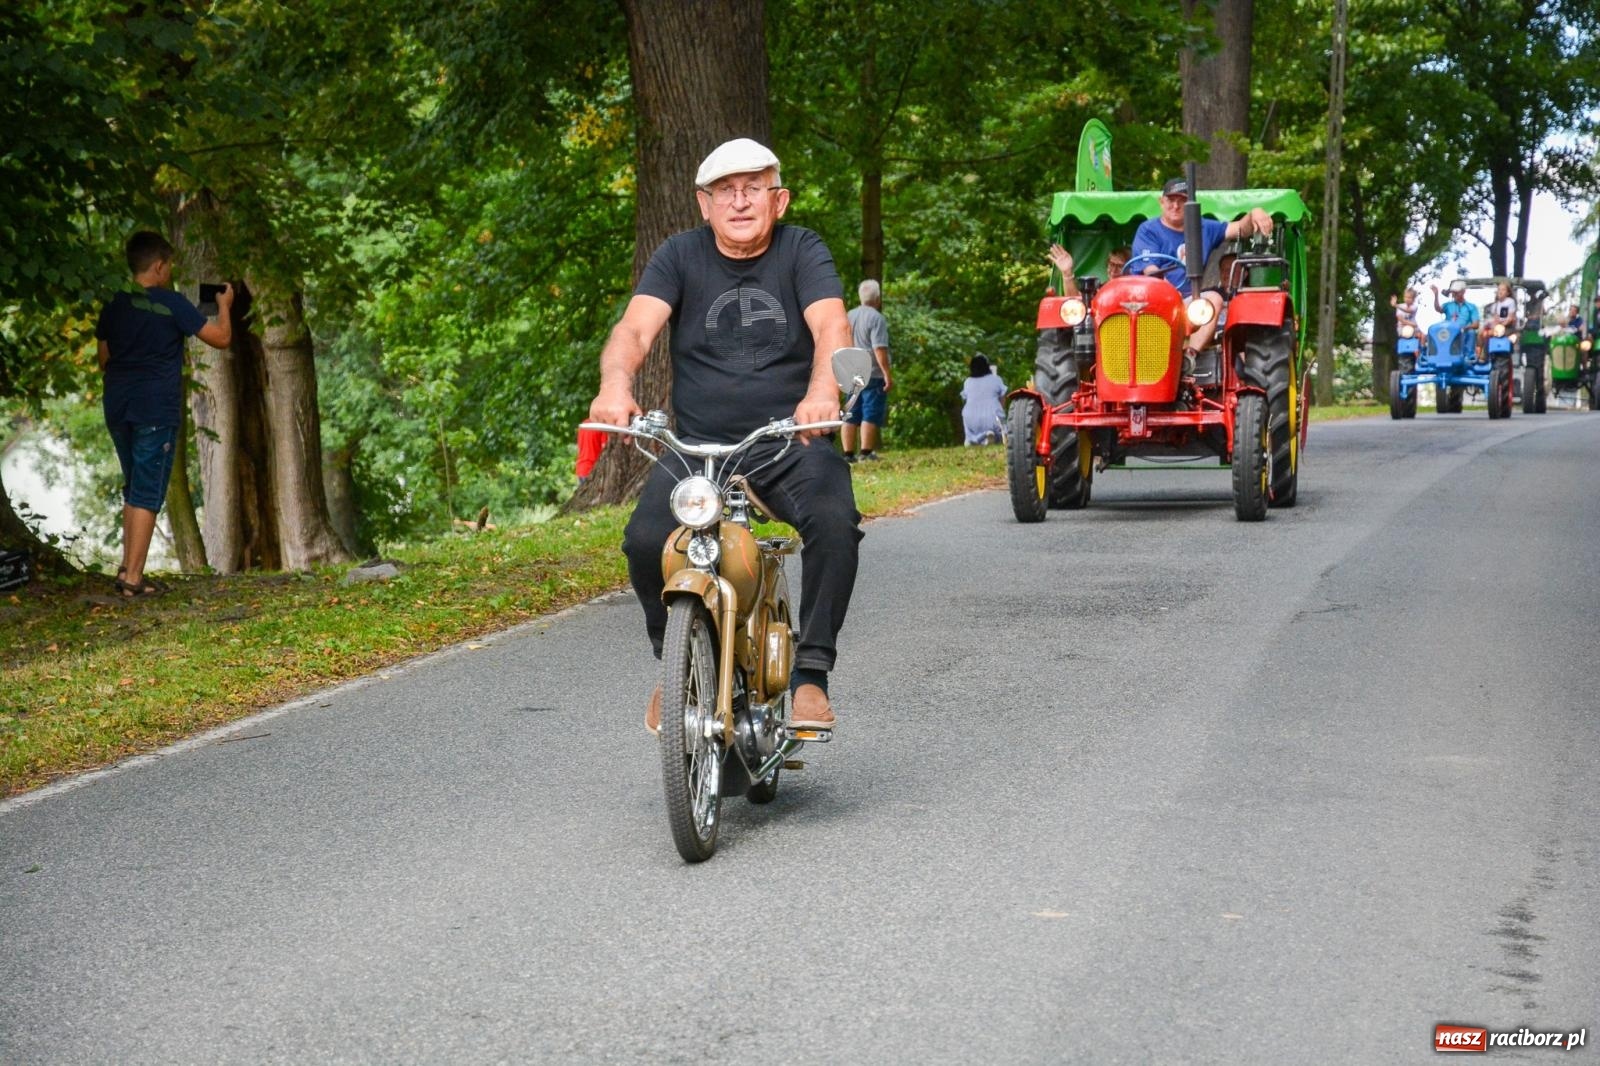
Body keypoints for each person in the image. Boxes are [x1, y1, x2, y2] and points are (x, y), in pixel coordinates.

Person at [586, 138, 857, 733]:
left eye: (753, 188)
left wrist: (822, 394)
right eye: (725, 191)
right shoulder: (680, 255)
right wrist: (615, 386)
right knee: (643, 541)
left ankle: (812, 675)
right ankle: (675, 665)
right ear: (704, 205)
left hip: (789, 443)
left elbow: (831, 323)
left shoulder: (801, 249)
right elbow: (634, 330)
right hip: (699, 449)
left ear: (778, 200)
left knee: (835, 521)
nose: (739, 201)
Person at [95, 231, 232, 598]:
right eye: (169, 265)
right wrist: (224, 305)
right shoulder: (172, 303)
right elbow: (220, 338)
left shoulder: (114, 303)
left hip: (118, 405)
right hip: (154, 407)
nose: (169, 271)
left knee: (134, 484)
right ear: (158, 266)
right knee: (147, 490)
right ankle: (133, 580)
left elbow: (103, 359)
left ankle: (128, 568)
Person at [1131, 177, 1274, 359]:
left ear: (1191, 205)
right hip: (1151, 303)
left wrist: (1254, 213)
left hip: (1187, 307)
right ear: (1162, 202)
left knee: (1212, 299)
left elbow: (1240, 229)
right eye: (1171, 200)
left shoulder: (1203, 227)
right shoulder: (1148, 230)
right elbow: (1151, 272)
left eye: (1182, 201)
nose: (1175, 206)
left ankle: (1189, 358)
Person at [841, 278, 891, 462]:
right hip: (872, 372)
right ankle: (865, 452)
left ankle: (847, 454)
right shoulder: (877, 318)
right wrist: (886, 373)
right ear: (878, 298)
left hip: (851, 370)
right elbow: (879, 348)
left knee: (852, 410)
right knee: (870, 410)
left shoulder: (848, 316)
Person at [960, 355, 1007, 445]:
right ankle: (992, 435)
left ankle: (975, 439)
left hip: (972, 420)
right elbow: (1003, 400)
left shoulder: (968, 382)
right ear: (987, 366)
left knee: (966, 412)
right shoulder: (996, 379)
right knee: (1000, 426)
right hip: (993, 418)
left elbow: (966, 400)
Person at [1431, 280, 1481, 357]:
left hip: (1464, 331)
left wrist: (1465, 327)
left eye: (1456, 292)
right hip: (1448, 332)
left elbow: (1476, 324)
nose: (1454, 295)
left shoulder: (1471, 307)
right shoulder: (1448, 305)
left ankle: (1469, 356)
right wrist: (1436, 295)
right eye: (1453, 293)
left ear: (1463, 292)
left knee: (1471, 332)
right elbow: (1438, 309)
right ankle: (1439, 355)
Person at [1479, 281, 1518, 353]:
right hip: (1498, 328)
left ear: (1508, 293)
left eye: (1503, 290)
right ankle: (1481, 353)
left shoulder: (1510, 302)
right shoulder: (1495, 305)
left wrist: (1502, 324)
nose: (1500, 292)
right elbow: (1495, 318)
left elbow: (1510, 317)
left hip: (1507, 328)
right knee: (1483, 333)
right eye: (1499, 290)